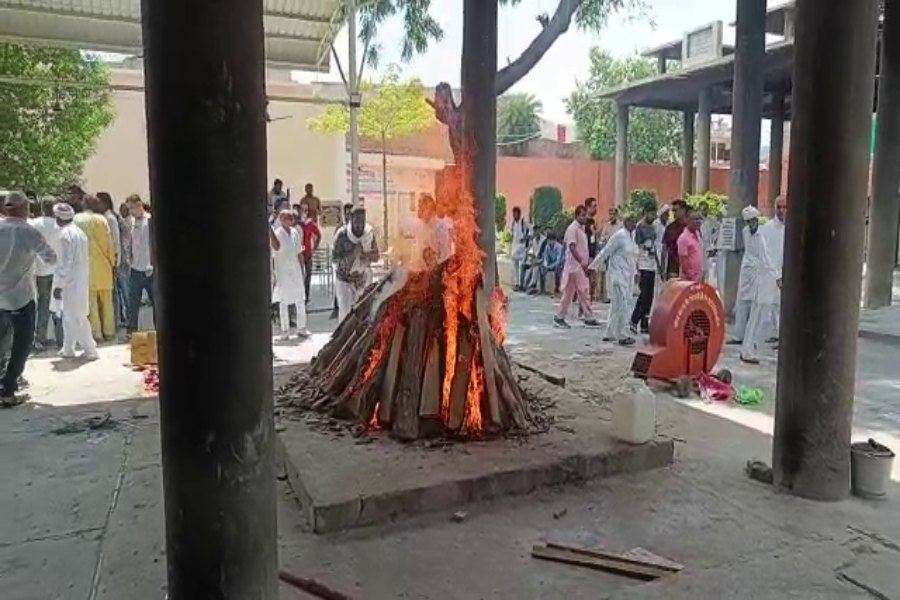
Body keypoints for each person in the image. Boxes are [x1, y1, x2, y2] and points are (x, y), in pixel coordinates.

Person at [0, 192, 56, 403]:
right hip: (21, 298)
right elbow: (50, 258)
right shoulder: (28, 232)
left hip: (0, 299)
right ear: (24, 208)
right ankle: (8, 388)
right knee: (22, 344)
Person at [51, 203, 98, 361]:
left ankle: (90, 349)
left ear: (59, 218)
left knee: (76, 317)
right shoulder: (79, 232)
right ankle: (68, 348)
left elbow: (66, 263)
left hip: (70, 283)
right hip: (79, 280)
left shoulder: (65, 235)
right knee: (70, 316)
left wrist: (59, 285)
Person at [735, 206, 780, 364]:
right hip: (750, 277)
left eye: (753, 221)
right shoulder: (746, 233)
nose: (751, 224)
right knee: (750, 314)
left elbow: (766, 258)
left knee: (759, 315)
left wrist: (776, 275)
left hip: (762, 277)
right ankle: (747, 349)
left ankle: (749, 348)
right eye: (749, 222)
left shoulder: (762, 235)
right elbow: (754, 257)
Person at [74, 195, 116, 341]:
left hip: (86, 267)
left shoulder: (77, 220)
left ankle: (96, 333)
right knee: (107, 302)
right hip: (104, 265)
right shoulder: (102, 220)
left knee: (91, 303)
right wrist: (112, 262)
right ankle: (109, 331)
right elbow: (109, 245)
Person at [553, 206, 602, 329]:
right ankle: (586, 317)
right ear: (576, 216)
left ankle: (562, 317)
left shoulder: (581, 229)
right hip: (575, 266)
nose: (584, 218)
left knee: (573, 293)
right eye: (582, 215)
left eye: (585, 215)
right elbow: (572, 247)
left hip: (578, 266)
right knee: (583, 290)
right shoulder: (572, 229)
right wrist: (582, 262)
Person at [592, 215, 638, 346]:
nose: (634, 223)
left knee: (617, 305)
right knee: (622, 305)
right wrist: (592, 267)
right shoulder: (619, 236)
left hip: (627, 276)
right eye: (632, 221)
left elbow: (632, 257)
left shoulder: (631, 236)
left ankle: (609, 333)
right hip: (617, 276)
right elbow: (605, 251)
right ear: (625, 221)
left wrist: (635, 272)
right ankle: (622, 335)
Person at [269, 210, 311, 340]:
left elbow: (299, 251)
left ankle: (301, 328)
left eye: (291, 218)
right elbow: (276, 248)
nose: (290, 220)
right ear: (281, 219)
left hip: (296, 270)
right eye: (287, 218)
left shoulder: (295, 232)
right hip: (283, 271)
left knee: (300, 299)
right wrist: (270, 231)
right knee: (283, 301)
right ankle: (285, 330)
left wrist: (302, 268)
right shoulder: (277, 233)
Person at [333, 207, 379, 322]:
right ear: (351, 220)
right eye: (357, 221)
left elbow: (376, 256)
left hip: (362, 279)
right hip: (344, 280)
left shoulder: (369, 234)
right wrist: (351, 257)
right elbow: (335, 259)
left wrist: (366, 255)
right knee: (345, 313)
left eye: (362, 221)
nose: (360, 225)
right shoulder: (342, 235)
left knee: (361, 313)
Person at [29, 198, 63, 351]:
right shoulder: (61, 225)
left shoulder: (34, 224)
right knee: (58, 304)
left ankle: (40, 339)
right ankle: (61, 338)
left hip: (41, 271)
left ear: (42, 208)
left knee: (43, 305)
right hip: (58, 271)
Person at [97, 192, 130, 330]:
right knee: (116, 292)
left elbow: (115, 241)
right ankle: (120, 319)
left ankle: (128, 318)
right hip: (113, 260)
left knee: (123, 290)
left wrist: (117, 261)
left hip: (117, 260)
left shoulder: (110, 218)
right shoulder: (105, 217)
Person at [126, 194, 155, 336]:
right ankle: (131, 330)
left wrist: (152, 263)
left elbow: (153, 244)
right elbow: (130, 242)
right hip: (135, 268)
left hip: (149, 268)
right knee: (133, 302)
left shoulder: (149, 221)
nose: (131, 211)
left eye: (132, 208)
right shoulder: (131, 222)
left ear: (139, 205)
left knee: (156, 301)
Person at [760, 197, 786, 343]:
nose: (781, 210)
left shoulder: (790, 227)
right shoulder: (767, 228)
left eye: (784, 207)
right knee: (770, 304)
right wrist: (776, 274)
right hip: (771, 272)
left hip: (785, 271)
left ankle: (780, 334)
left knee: (781, 305)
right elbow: (766, 253)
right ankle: (772, 333)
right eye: (779, 207)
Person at [630, 206, 659, 334]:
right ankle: (634, 320)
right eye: (651, 213)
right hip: (642, 264)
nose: (653, 216)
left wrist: (658, 264)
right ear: (645, 213)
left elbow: (655, 247)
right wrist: (636, 268)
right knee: (644, 295)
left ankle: (644, 323)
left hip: (651, 264)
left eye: (654, 214)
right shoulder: (639, 227)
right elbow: (635, 247)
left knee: (650, 296)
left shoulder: (653, 228)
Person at [295, 200, 321, 301]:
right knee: (299, 274)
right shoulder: (296, 223)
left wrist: (315, 247)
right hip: (298, 253)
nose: (304, 212)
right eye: (302, 210)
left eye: (306, 210)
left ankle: (306, 295)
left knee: (308, 275)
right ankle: (299, 295)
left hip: (308, 252)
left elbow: (319, 235)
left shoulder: (310, 224)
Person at [596, 206, 623, 303]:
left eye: (613, 214)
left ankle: (618, 295)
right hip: (609, 253)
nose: (611, 216)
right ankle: (608, 296)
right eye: (610, 214)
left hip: (619, 254)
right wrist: (604, 240)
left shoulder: (621, 226)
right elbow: (602, 238)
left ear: (616, 214)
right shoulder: (607, 225)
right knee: (609, 274)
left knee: (618, 275)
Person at [662, 200, 688, 279]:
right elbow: (665, 249)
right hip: (673, 268)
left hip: (688, 269)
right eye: (673, 211)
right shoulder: (670, 228)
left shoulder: (690, 227)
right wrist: (663, 268)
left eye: (676, 210)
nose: (674, 213)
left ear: (683, 210)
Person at [677, 209, 705, 282]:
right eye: (695, 219)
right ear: (687, 220)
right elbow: (683, 261)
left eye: (699, 219)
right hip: (689, 280)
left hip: (699, 277)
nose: (698, 221)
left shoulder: (698, 235)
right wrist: (691, 276)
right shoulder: (683, 238)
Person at [510, 207, 531, 291]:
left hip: (522, 245)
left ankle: (520, 284)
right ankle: (517, 284)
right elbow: (513, 234)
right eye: (513, 213)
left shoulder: (524, 222)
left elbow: (531, 230)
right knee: (516, 265)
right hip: (515, 244)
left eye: (516, 213)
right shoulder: (513, 223)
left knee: (514, 257)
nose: (514, 215)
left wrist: (526, 238)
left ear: (519, 214)